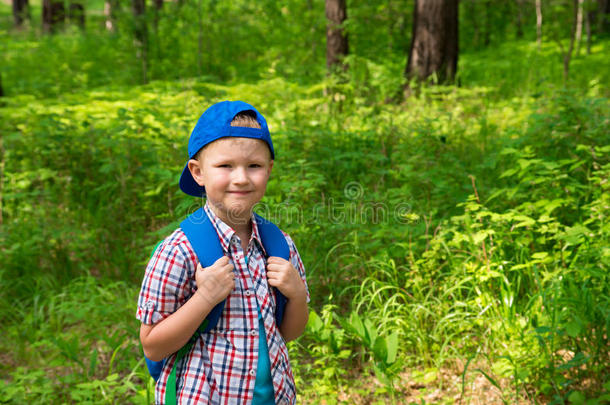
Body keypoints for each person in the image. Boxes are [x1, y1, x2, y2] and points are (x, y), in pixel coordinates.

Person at [136, 101, 310, 405]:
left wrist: (295, 294)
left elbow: (289, 332)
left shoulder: (279, 246)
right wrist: (204, 298)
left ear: (269, 170)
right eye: (225, 166)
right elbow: (152, 346)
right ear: (198, 172)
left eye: (254, 166)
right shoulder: (179, 251)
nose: (241, 178)